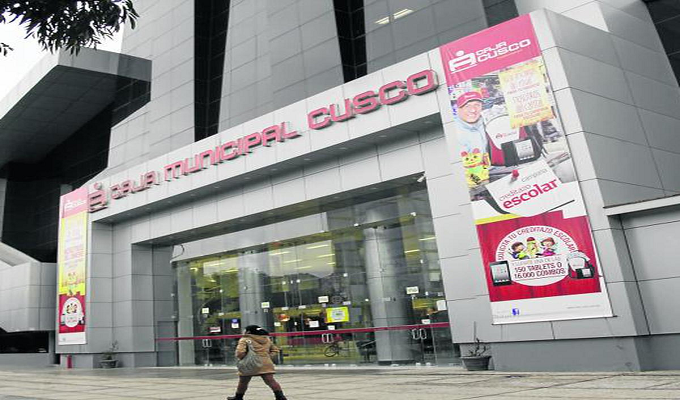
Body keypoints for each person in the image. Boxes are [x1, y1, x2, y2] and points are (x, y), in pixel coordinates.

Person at [227, 325, 288, 400]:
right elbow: (275, 350)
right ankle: (280, 397)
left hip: (249, 364)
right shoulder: (266, 339)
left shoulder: (245, 339)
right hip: (265, 363)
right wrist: (267, 357)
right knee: (271, 381)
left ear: (248, 332)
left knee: (243, 381)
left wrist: (243, 358)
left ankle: (238, 397)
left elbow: (240, 352)